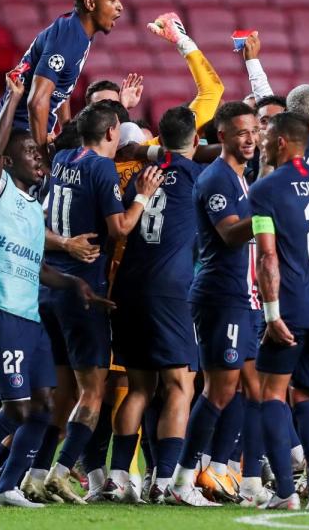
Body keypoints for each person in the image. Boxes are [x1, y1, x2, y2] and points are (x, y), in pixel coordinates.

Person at [0, 70, 112, 509]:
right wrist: (13, 100)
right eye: (29, 152)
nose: (38, 157)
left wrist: (74, 284)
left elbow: (36, 266)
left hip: (29, 315)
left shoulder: (35, 207)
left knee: (45, 403)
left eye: (38, 151)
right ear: (10, 162)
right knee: (15, 410)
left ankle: (6, 487)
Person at [42, 101, 164, 502]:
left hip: (49, 288)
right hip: (84, 293)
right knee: (92, 392)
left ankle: (36, 472)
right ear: (113, 132)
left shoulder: (61, 159)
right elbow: (121, 227)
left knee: (65, 394)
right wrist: (143, 195)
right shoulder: (100, 169)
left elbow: (36, 221)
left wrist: (61, 243)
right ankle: (60, 472)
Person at [104, 106, 204, 503]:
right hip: (170, 289)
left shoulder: (143, 178)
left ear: (158, 141)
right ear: (195, 140)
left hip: (129, 285)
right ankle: (165, 481)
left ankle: (117, 477)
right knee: (181, 383)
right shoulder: (200, 178)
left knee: (139, 387)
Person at [250, 111, 309, 511]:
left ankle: (286, 492)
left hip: (290, 306)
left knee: (271, 392)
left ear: (283, 142)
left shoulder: (265, 190)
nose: (261, 142)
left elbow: (268, 258)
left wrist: (272, 314)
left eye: (266, 136)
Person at [168, 101, 260, 508]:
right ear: (222, 136)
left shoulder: (241, 178)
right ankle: (182, 480)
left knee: (254, 388)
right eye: (242, 132)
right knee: (219, 391)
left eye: (255, 131)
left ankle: (242, 476)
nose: (251, 138)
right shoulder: (217, 179)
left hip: (243, 297)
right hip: (221, 297)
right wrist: (271, 210)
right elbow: (229, 234)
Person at [0, 0, 123, 183]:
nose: (120, 7)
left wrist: (67, 128)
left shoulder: (77, 32)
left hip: (19, 134)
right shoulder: (68, 38)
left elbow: (60, 89)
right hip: (14, 140)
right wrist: (42, 153)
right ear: (90, 3)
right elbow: (37, 101)